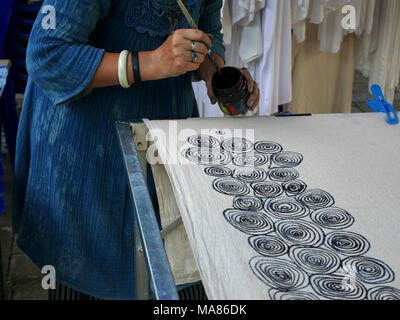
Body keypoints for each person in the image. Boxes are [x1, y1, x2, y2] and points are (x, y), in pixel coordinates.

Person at [11, 0, 260, 300]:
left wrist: (215, 71)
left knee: (180, 273)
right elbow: (47, 55)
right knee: (92, 280)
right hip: (87, 151)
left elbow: (207, 29)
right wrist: (150, 62)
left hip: (164, 141)